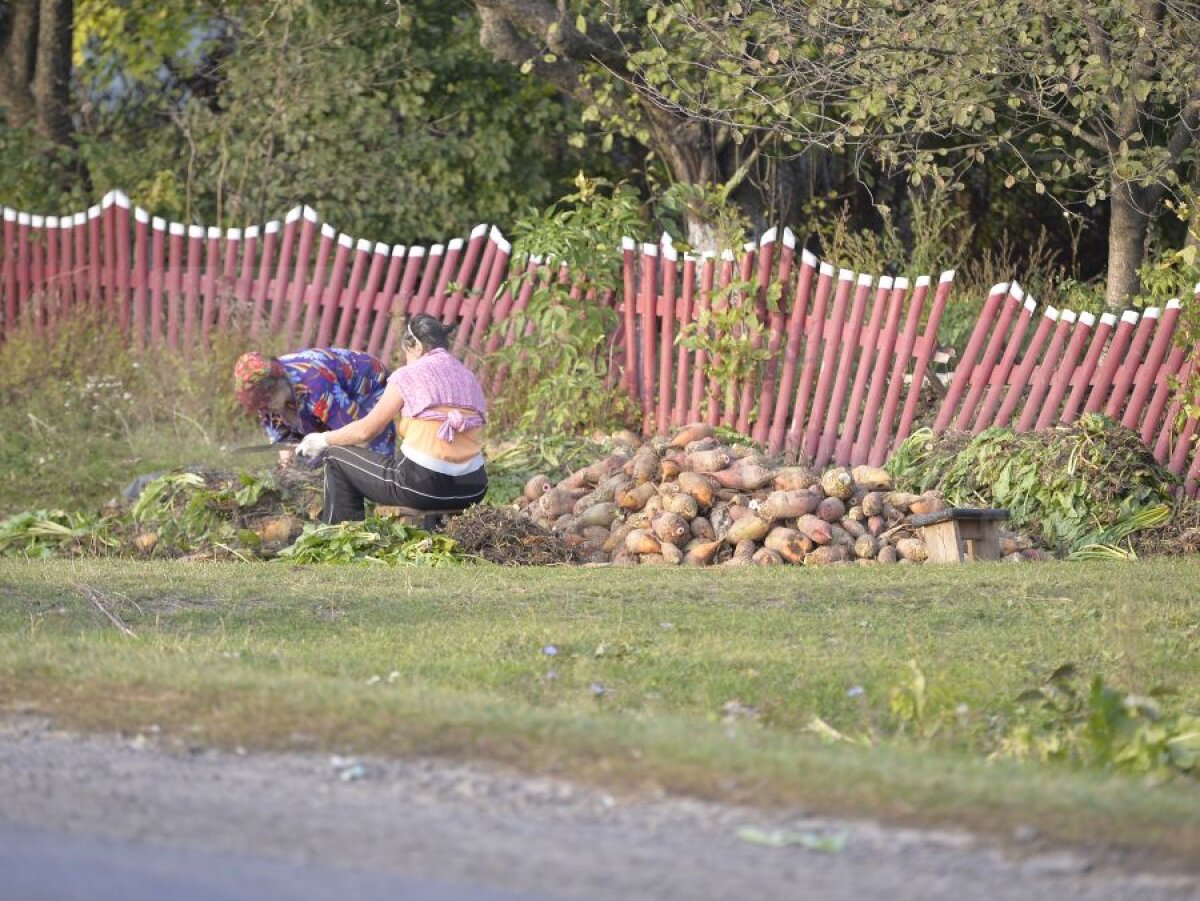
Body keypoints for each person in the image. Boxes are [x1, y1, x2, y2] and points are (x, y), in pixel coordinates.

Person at [296, 314, 488, 523]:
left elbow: (365, 432)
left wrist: (322, 440)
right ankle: (432, 529)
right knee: (419, 459)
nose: (407, 359)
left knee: (334, 457)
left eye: (406, 352)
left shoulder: (409, 374)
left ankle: (337, 537)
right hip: (474, 488)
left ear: (414, 346)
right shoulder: (468, 377)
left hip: (426, 488)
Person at [233, 347, 395, 457]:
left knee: (368, 457)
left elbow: (360, 435)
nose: (269, 408)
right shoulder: (265, 398)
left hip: (368, 384)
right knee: (308, 458)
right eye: (263, 405)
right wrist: (286, 473)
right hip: (318, 395)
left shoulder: (314, 383)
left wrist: (326, 442)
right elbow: (285, 443)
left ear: (279, 382)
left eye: (270, 400)